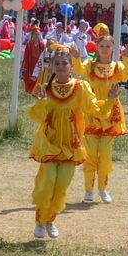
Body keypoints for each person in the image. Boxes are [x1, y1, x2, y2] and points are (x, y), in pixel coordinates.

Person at [27, 45, 99, 240]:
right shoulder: (45, 88)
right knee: (48, 181)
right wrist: (41, 101)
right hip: (49, 142)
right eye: (56, 63)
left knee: (61, 186)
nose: (60, 66)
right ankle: (40, 222)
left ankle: (50, 220)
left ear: (71, 66)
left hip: (71, 145)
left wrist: (108, 101)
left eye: (64, 63)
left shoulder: (80, 87)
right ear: (51, 66)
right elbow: (36, 116)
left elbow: (92, 108)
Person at [76, 33, 128, 203]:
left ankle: (103, 188)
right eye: (101, 46)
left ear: (112, 48)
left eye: (107, 46)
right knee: (90, 154)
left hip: (110, 115)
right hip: (92, 113)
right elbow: (79, 69)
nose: (104, 49)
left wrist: (127, 58)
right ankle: (88, 190)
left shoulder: (117, 67)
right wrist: (74, 59)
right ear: (97, 47)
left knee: (105, 155)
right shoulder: (90, 65)